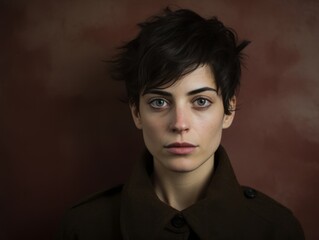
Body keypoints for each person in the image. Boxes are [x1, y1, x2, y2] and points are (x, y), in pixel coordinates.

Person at [56, 7, 305, 240]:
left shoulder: (276, 229)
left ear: (228, 110)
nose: (180, 124)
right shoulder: (83, 228)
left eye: (201, 101)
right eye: (159, 103)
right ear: (136, 113)